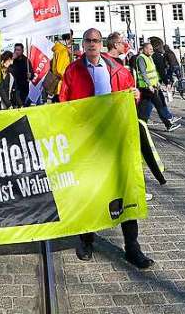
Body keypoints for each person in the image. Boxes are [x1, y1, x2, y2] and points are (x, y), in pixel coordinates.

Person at [60, 27, 152, 269]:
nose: (92, 44)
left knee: (125, 189)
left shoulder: (116, 69)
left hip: (115, 138)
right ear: (83, 44)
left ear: (101, 44)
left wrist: (135, 95)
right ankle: (87, 240)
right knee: (88, 191)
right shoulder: (73, 71)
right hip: (87, 140)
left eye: (96, 40)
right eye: (88, 40)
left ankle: (132, 247)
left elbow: (131, 94)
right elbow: (63, 104)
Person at [134, 41, 182, 132]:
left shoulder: (149, 57)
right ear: (145, 49)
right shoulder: (141, 58)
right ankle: (168, 124)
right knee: (159, 105)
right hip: (147, 87)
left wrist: (157, 83)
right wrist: (149, 85)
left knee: (144, 107)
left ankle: (139, 124)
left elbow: (153, 72)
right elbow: (143, 73)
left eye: (152, 49)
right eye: (150, 49)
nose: (152, 51)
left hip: (152, 86)